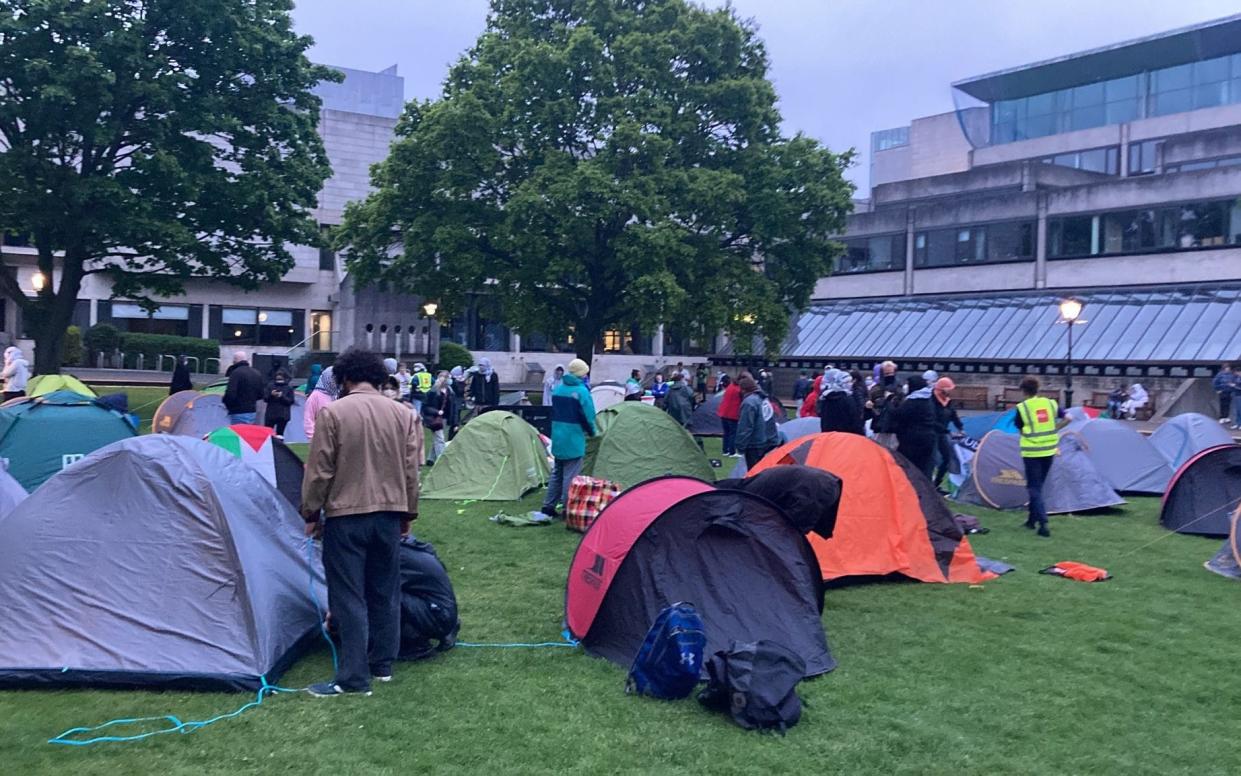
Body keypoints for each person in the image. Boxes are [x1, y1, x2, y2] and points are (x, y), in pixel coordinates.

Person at [302, 348, 423, 697]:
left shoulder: (333, 413)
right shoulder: (404, 415)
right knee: (385, 590)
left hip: (346, 516)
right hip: (389, 514)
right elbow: (411, 472)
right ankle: (382, 664)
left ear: (344, 378)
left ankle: (353, 678)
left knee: (348, 595)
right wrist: (407, 514)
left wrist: (310, 512)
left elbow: (320, 472)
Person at [539, 359, 596, 519]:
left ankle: (548, 506)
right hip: (573, 438)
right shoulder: (582, 391)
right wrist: (592, 432)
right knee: (570, 477)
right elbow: (588, 415)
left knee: (557, 473)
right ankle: (567, 509)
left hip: (558, 436)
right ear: (581, 373)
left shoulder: (558, 389)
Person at [1013, 375, 1069, 538]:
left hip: (1032, 451)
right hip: (1049, 450)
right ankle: (1031, 520)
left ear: (1023, 391)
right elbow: (1068, 417)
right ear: (1038, 389)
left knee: (1033, 487)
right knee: (1039, 486)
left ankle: (1043, 523)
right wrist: (1056, 428)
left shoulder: (1022, 407)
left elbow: (1020, 428)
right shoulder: (1050, 403)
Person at [396, 537, 459, 661]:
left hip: (438, 614)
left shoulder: (396, 555)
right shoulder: (411, 545)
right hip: (442, 609)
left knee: (381, 596)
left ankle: (416, 646)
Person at [891, 374, 938, 479]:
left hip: (913, 440)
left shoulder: (914, 401)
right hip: (928, 437)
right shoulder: (928, 399)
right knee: (925, 467)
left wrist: (890, 404)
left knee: (911, 466)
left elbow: (899, 414)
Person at [734, 373, 780, 469]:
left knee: (754, 473)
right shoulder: (763, 399)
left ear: (743, 389)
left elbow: (745, 427)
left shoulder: (749, 403)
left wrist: (740, 445)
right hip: (768, 441)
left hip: (754, 444)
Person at [931, 377, 965, 492]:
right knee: (931, 459)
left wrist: (960, 427)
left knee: (947, 458)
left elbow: (953, 415)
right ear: (942, 390)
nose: (950, 391)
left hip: (943, 433)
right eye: (949, 389)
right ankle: (927, 483)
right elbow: (931, 419)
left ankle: (936, 484)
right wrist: (947, 431)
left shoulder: (948, 401)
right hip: (932, 433)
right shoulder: (932, 401)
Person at [817, 368, 864, 435]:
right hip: (846, 435)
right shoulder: (847, 399)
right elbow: (854, 419)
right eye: (847, 382)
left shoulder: (825, 398)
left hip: (828, 435)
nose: (851, 384)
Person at [222, 351, 264, 425]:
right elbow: (261, 394)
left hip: (238, 411)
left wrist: (227, 403)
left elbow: (230, 393)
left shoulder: (236, 373)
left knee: (237, 434)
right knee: (247, 434)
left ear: (235, 360)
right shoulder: (257, 373)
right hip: (252, 411)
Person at [422, 371, 452, 463]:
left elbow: (452, 406)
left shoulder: (450, 391)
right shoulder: (433, 391)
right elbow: (426, 406)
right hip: (435, 418)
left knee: (438, 438)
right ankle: (441, 459)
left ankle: (431, 459)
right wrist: (437, 412)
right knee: (440, 439)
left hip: (445, 418)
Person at [304, 366, 339, 440]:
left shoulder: (337, 394)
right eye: (333, 378)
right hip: (320, 438)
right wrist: (312, 438)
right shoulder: (315, 396)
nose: (334, 381)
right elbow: (308, 418)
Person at [263, 369, 296, 438]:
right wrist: (271, 395)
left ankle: (278, 446)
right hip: (274, 414)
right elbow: (265, 398)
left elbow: (291, 401)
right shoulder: (270, 386)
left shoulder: (288, 388)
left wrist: (282, 396)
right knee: (270, 434)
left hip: (281, 414)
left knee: (278, 434)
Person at [717, 372, 744, 456]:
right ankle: (732, 451)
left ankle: (725, 450)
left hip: (723, 412)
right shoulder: (739, 390)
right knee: (733, 433)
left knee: (726, 433)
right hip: (732, 414)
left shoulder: (730, 387)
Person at [448, 365, 467, 438]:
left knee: (456, 418)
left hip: (457, 401)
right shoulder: (456, 381)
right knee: (455, 419)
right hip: (456, 401)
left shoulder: (454, 380)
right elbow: (460, 391)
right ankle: (453, 435)